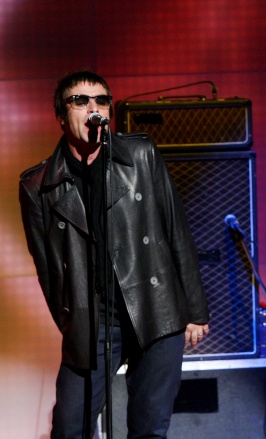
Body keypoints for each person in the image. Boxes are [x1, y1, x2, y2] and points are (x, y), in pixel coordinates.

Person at [19, 70, 211, 439]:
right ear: (61, 115)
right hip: (95, 322)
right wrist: (70, 319)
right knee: (69, 427)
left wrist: (195, 309)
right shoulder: (38, 185)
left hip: (157, 310)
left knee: (149, 429)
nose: (94, 108)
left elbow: (176, 230)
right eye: (81, 100)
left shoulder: (141, 154)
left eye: (102, 100)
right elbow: (47, 268)